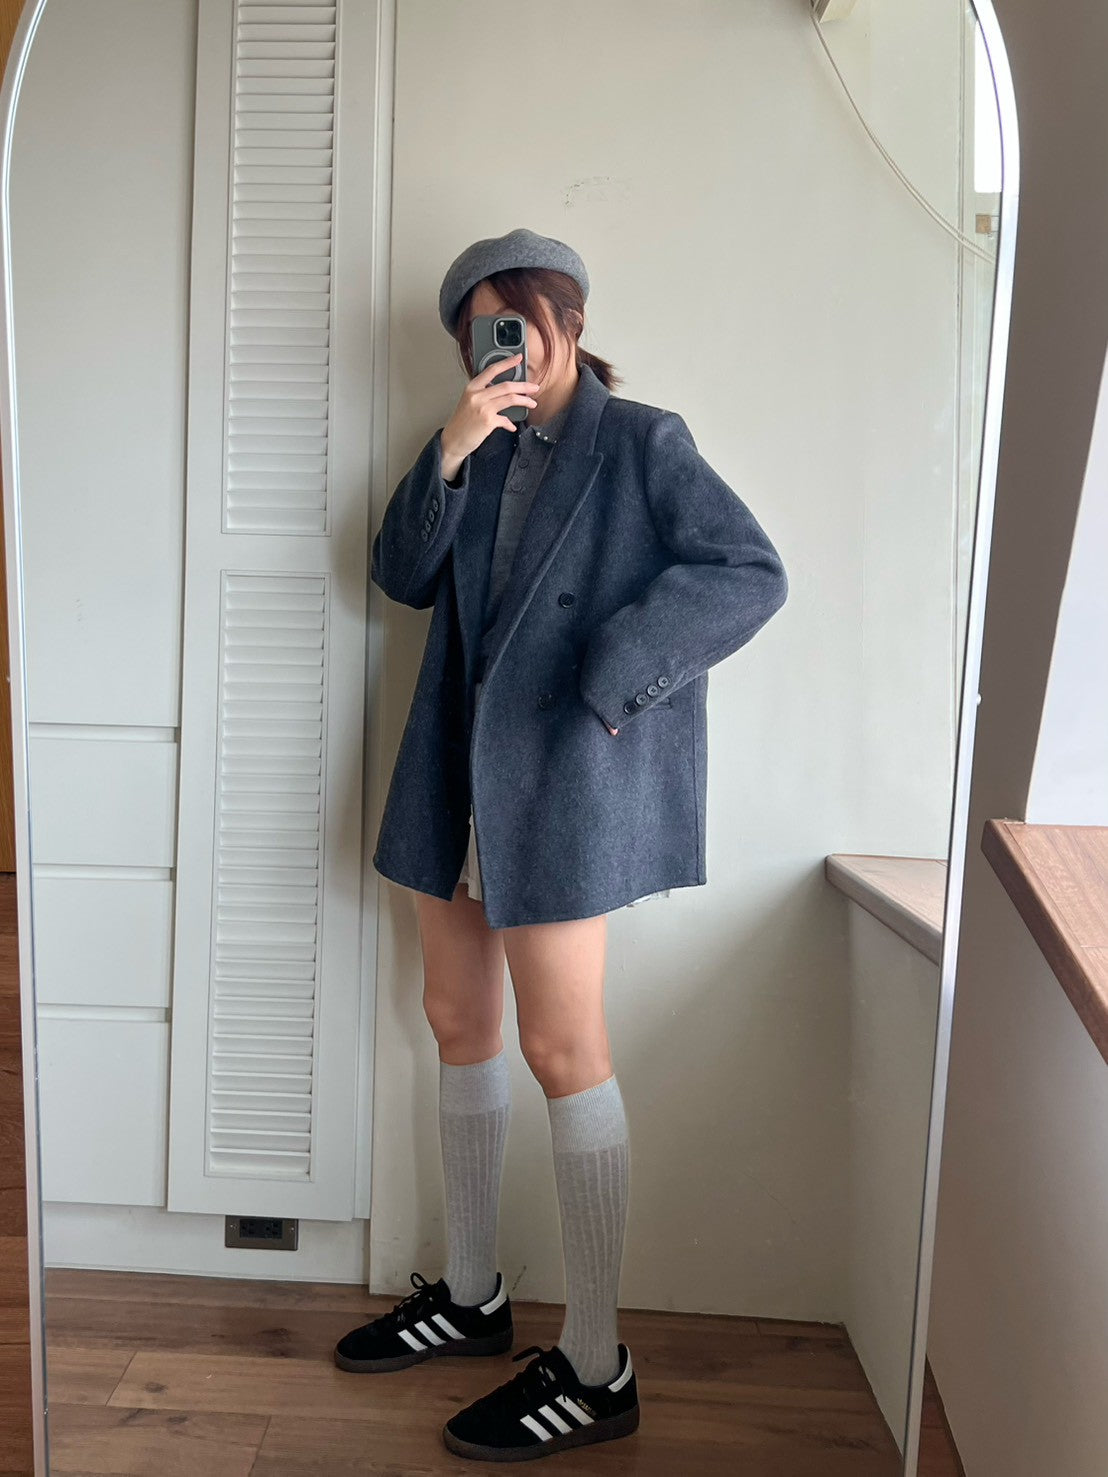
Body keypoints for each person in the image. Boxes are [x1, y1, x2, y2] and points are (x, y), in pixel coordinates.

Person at [334, 228, 789, 1463]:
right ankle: (473, 1294)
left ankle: (597, 1365)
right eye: (481, 334)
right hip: (454, 770)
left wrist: (614, 673)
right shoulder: (470, 445)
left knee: (562, 1046)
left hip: (560, 782)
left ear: (567, 319)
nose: (505, 349)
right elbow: (397, 576)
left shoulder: (641, 442)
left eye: (518, 323)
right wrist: (448, 447)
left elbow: (748, 571)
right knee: (455, 1020)